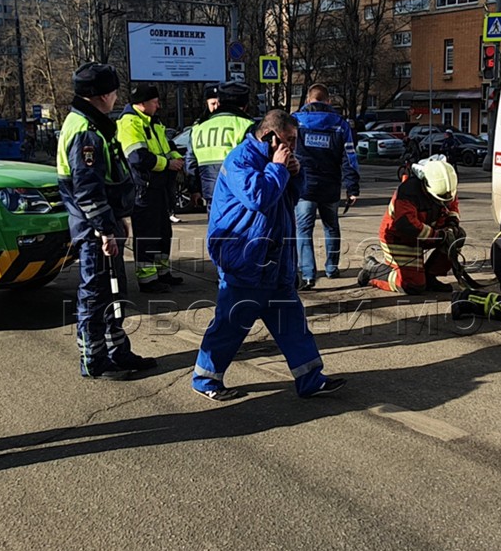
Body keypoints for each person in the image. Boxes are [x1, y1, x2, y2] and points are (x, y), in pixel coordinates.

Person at [192, 109, 346, 403]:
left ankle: (310, 378)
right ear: (271, 137)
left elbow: (286, 199)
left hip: (274, 260)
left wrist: (295, 175)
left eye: (295, 140)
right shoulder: (241, 159)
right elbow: (258, 197)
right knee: (230, 323)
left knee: (291, 322)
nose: (293, 146)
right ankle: (205, 378)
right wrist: (278, 169)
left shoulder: (275, 159)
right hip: (244, 258)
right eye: (288, 139)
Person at [57, 63, 156, 381]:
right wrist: (103, 230)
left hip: (105, 224)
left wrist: (115, 222)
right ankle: (94, 358)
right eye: (113, 91)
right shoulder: (85, 131)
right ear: (100, 95)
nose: (116, 97)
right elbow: (87, 189)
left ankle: (117, 350)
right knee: (97, 292)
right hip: (94, 229)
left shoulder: (92, 123)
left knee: (112, 291)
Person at [359, 157, 465, 293]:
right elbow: (408, 226)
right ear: (426, 184)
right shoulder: (407, 193)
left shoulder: (445, 187)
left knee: (458, 235)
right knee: (413, 286)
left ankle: (430, 276)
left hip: (428, 234)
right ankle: (373, 271)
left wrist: (451, 224)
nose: (443, 201)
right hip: (400, 239)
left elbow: (452, 207)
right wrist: (438, 235)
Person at [117, 83, 186, 292]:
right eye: (155, 102)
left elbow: (168, 147)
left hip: (159, 186)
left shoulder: (153, 122)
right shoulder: (130, 123)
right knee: (147, 234)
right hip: (144, 187)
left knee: (163, 232)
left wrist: (176, 158)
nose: (158, 106)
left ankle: (161, 273)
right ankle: (147, 281)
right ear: (142, 103)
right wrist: (168, 164)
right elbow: (137, 157)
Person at [293, 84, 360, 289]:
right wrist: (352, 187)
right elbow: (349, 157)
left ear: (307, 100)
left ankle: (307, 275)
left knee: (303, 230)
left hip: (304, 187)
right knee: (331, 227)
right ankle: (331, 268)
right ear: (328, 101)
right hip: (330, 186)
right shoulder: (340, 124)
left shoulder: (296, 121)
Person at [190, 82, 255, 207]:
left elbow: (191, 163)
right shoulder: (246, 125)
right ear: (245, 106)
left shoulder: (198, 128)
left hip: (211, 194)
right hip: (239, 194)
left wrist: (195, 189)